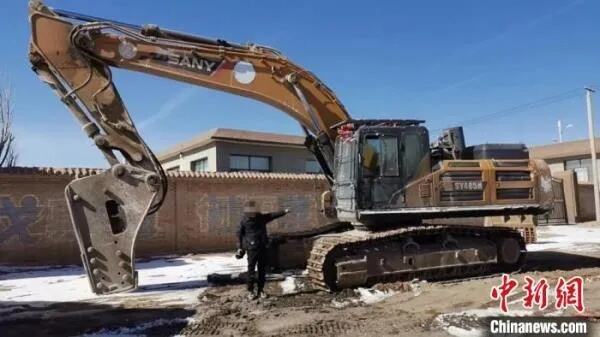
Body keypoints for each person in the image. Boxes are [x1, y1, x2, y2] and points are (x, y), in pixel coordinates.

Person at [235, 200, 289, 300]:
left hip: (263, 248)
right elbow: (239, 235)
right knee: (251, 272)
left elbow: (272, 215)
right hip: (252, 250)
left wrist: (284, 212)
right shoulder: (244, 221)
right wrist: (239, 248)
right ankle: (250, 291)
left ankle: (261, 290)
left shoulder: (261, 218)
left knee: (262, 271)